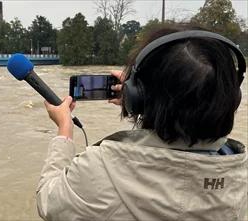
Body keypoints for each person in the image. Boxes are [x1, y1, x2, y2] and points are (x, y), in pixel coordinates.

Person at [36, 25, 247, 221]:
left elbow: (49, 200)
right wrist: (150, 102)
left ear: (138, 96)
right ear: (233, 97)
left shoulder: (100, 169)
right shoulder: (239, 175)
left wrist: (64, 129)